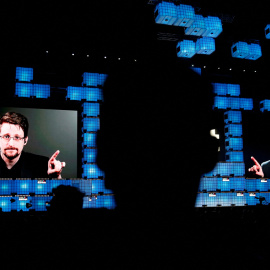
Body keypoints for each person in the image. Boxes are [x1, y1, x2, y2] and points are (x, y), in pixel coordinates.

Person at [0, 112, 66, 178]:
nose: (11, 143)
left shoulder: (43, 165)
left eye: (17, 137)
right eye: (6, 136)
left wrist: (56, 177)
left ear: (25, 140)